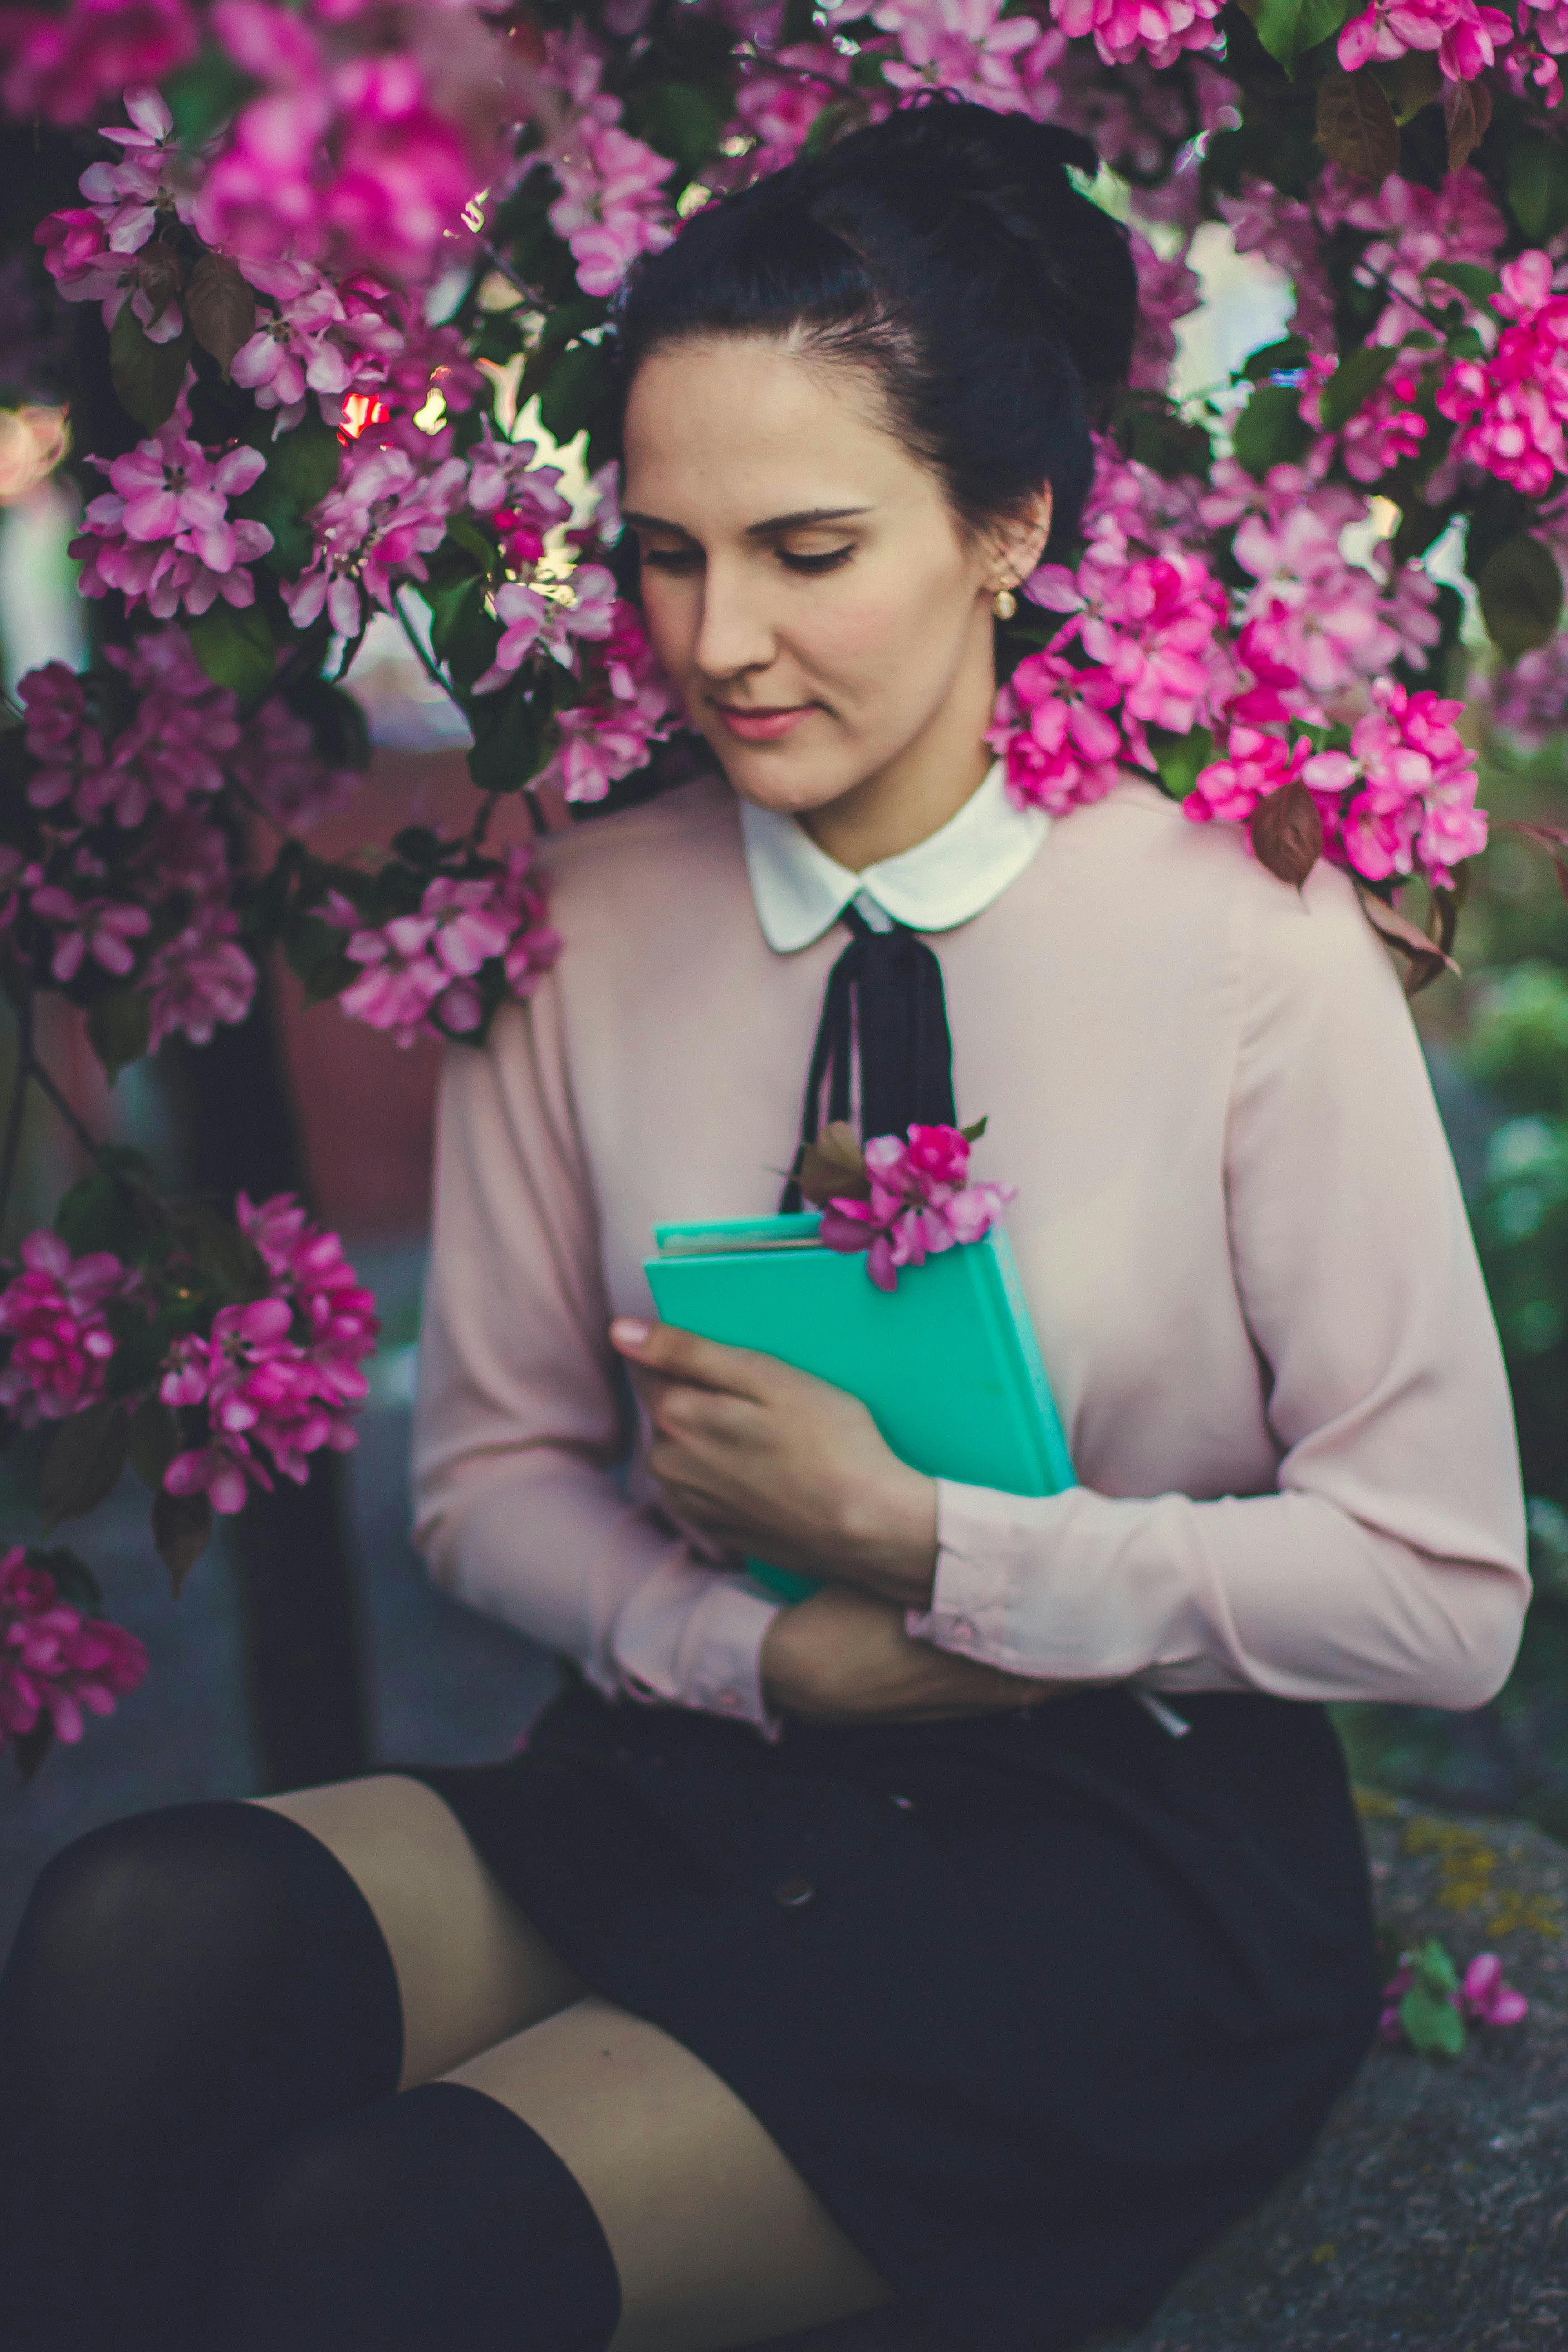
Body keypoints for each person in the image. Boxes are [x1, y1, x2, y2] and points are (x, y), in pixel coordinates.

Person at [0, 96, 1528, 2352]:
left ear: (1009, 523)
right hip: (700, 1749)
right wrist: (758, 1652)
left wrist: (939, 1553)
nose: (721, 641)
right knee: (133, 1931)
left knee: (386, 2237)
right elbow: (494, 1482)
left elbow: (1443, 1588)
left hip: (1124, 1833)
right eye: (666, 555)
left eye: (810, 549)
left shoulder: (1252, 950)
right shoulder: (586, 926)